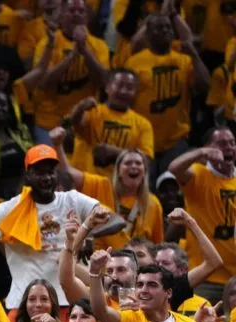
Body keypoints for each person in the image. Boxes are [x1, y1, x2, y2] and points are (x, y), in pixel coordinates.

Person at [0, 144, 122, 316]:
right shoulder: (11, 208)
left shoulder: (73, 200)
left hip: (70, 303)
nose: (46, 177)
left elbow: (116, 220)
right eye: (39, 172)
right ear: (27, 175)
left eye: (50, 172)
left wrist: (86, 234)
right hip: (25, 304)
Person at [125, 13, 210, 176]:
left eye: (168, 27)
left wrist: (194, 55)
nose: (165, 31)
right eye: (159, 27)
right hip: (143, 139)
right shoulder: (134, 62)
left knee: (173, 190)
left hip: (176, 138)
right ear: (148, 34)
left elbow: (205, 85)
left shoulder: (184, 60)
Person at [53, 130, 163, 249]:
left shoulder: (153, 204)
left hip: (134, 263)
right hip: (98, 260)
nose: (134, 166)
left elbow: (157, 246)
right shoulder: (102, 186)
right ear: (118, 171)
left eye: (138, 163)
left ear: (144, 172)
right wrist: (58, 145)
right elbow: (68, 174)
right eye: (128, 163)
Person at [168, 127, 236, 302]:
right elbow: (175, 168)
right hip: (206, 276)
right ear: (209, 147)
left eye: (232, 143)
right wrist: (202, 152)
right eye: (221, 144)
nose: (228, 148)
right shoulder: (199, 174)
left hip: (234, 277)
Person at [29, 0, 109, 144]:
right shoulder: (46, 44)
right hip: (49, 122)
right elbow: (43, 83)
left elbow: (103, 82)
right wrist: (71, 56)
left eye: (81, 11)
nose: (76, 14)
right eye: (71, 11)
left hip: (84, 122)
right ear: (61, 16)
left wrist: (84, 51)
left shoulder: (99, 45)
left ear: (87, 17)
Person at [69, 70, 155, 179]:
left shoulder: (143, 124)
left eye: (129, 88)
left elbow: (146, 160)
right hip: (87, 182)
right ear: (107, 88)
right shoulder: (92, 112)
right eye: (119, 85)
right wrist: (80, 108)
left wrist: (114, 152)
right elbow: (75, 124)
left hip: (120, 186)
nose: (124, 91)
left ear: (135, 92)